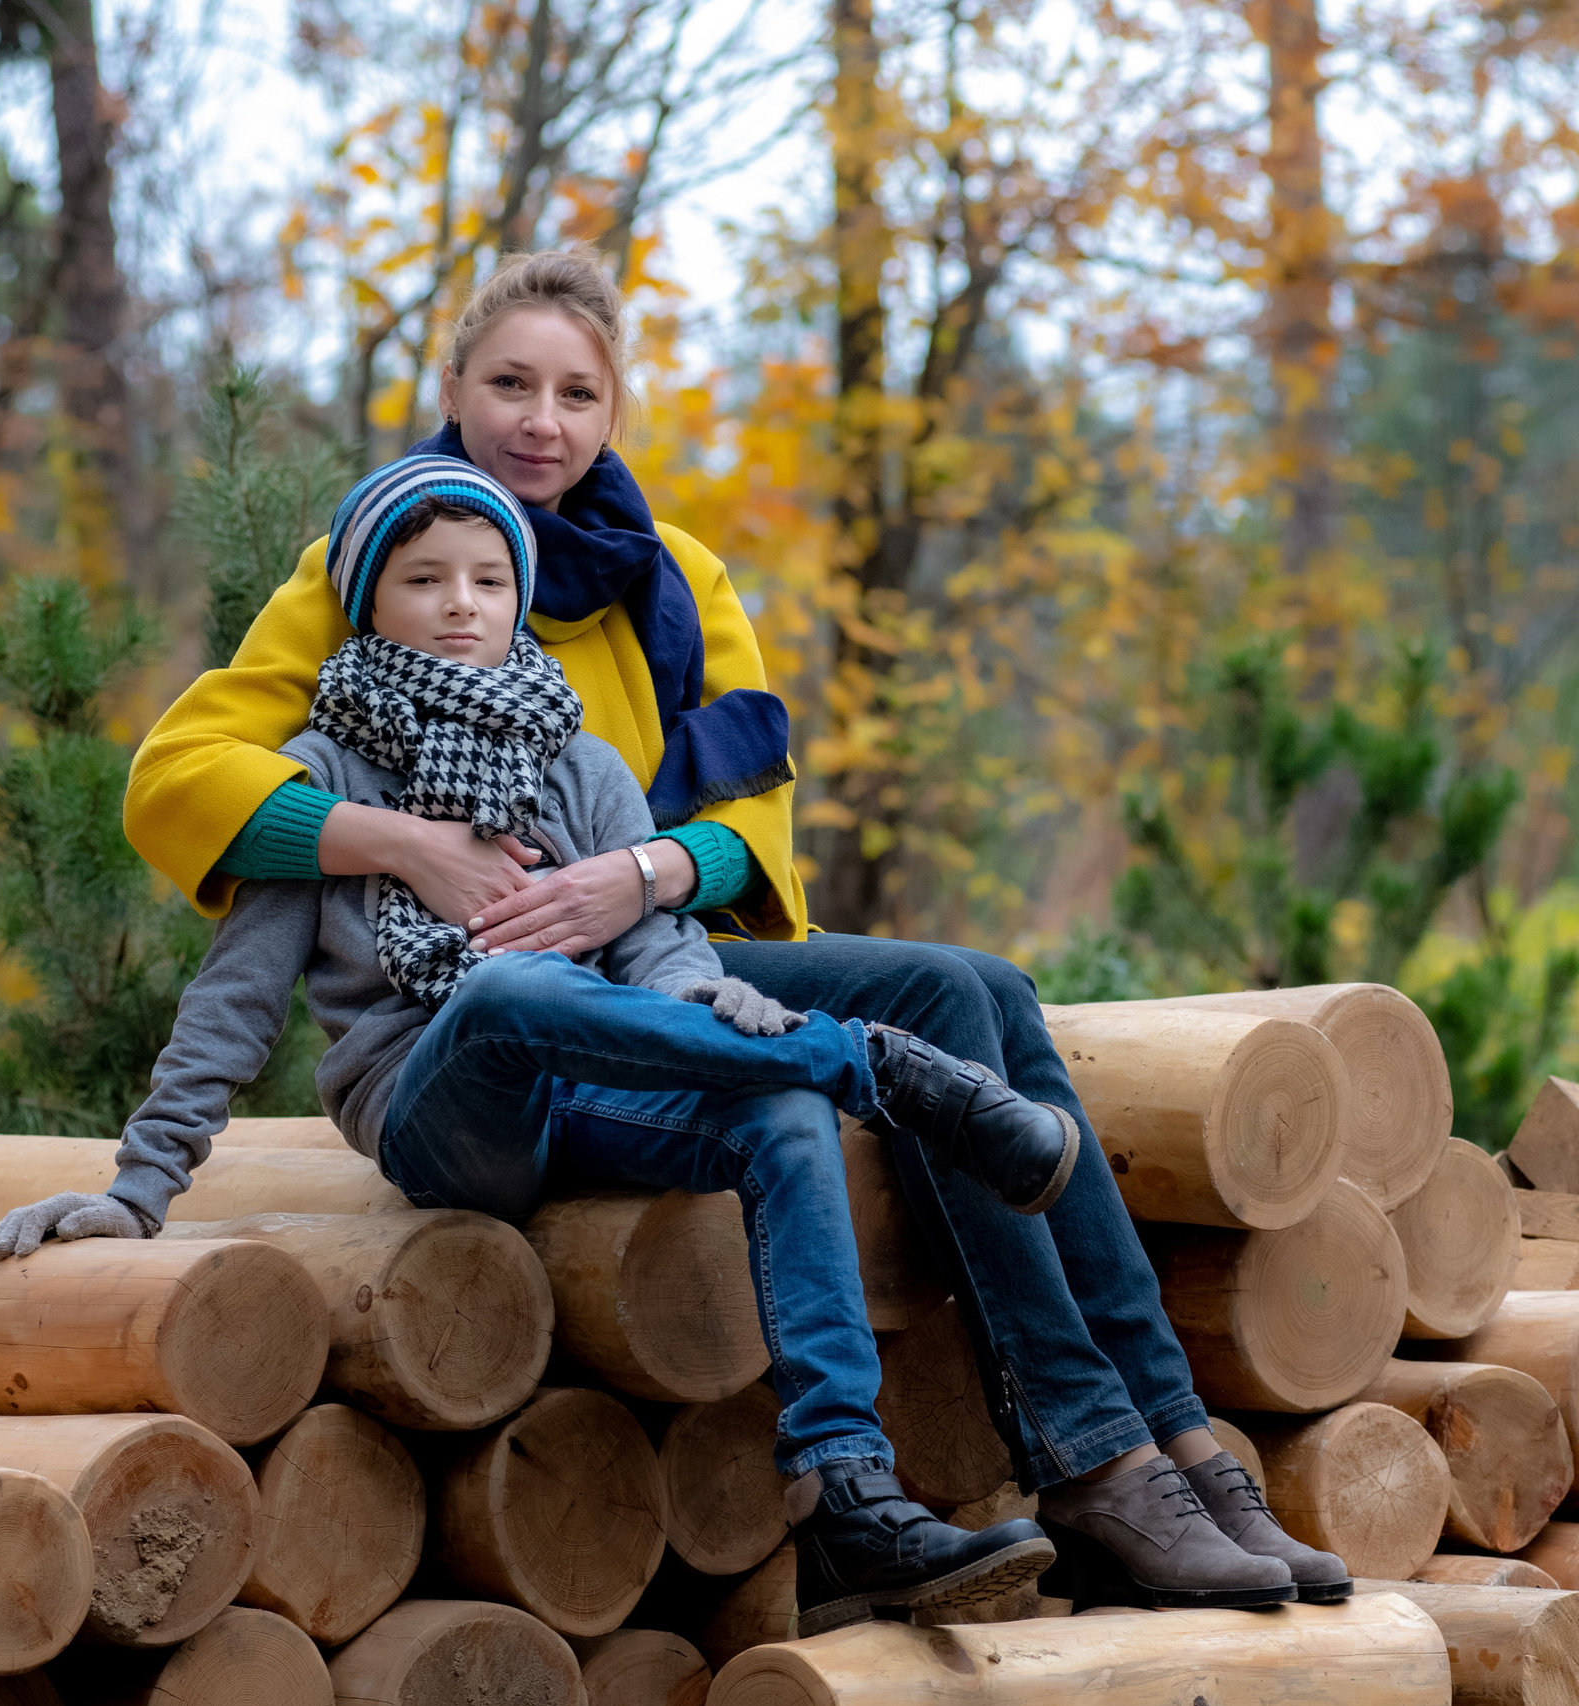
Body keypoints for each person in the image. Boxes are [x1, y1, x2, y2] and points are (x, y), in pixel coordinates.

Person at [120, 247, 1347, 1611]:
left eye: (578, 392)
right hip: (477, 999)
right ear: (454, 390)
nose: (543, 418)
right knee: (900, 1023)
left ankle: (1152, 1442)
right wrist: (401, 843)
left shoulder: (679, 581)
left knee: (973, 983)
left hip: (655, 944)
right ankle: (1096, 1448)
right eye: (510, 383)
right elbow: (186, 780)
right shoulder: (384, 553)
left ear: (612, 414)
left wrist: (635, 871)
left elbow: (755, 834)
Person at [0, 457, 1087, 1635]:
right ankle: (881, 1066)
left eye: (490, 578)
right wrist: (140, 1187)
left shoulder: (582, 767)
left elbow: (660, 956)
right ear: (367, 603)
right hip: (439, 1110)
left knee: (778, 1106)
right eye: (424, 579)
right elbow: (233, 1003)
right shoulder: (321, 777)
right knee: (507, 992)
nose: (462, 602)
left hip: (594, 1090)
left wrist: (714, 1004)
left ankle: (849, 1492)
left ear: (519, 599)